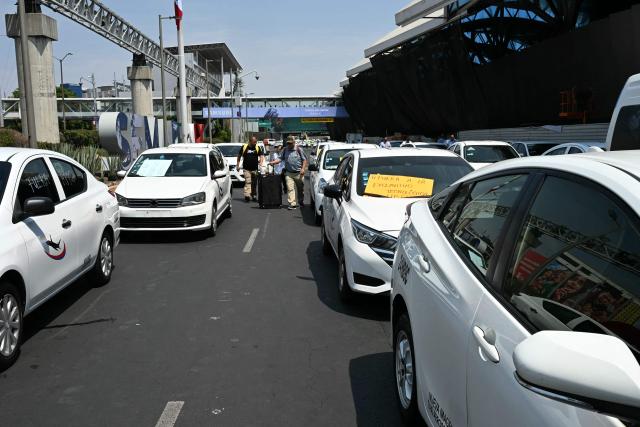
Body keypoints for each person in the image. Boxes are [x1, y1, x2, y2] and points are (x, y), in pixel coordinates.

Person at [272, 135, 307, 210]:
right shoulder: (285, 150)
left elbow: (304, 160)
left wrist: (303, 169)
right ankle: (292, 203)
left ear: (294, 142)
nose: (289, 145)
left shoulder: (299, 149)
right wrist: (273, 162)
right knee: (290, 188)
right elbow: (280, 158)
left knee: (300, 189)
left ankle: (300, 201)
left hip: (298, 173)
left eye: (291, 143)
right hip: (289, 173)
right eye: (288, 143)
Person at [237, 136, 264, 202]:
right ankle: (247, 195)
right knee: (248, 181)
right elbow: (239, 156)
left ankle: (254, 195)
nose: (255, 143)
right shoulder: (244, 147)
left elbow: (261, 155)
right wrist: (237, 165)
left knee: (254, 182)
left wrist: (260, 162)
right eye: (254, 142)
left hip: (255, 169)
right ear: (250, 141)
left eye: (256, 142)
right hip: (246, 168)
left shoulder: (257, 147)